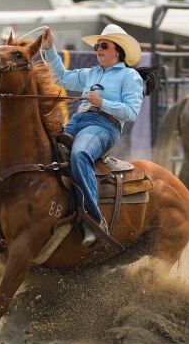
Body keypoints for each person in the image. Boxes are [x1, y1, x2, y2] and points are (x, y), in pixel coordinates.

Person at [41, 24, 159, 247]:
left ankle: (93, 220)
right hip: (77, 121)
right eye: (97, 45)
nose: (99, 49)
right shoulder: (91, 73)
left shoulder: (129, 76)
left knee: (80, 153)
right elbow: (62, 77)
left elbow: (131, 112)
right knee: (46, 152)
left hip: (104, 126)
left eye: (104, 45)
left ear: (118, 51)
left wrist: (101, 102)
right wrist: (49, 48)